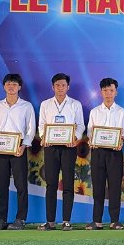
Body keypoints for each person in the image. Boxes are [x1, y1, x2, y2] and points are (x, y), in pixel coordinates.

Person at [37, 73, 85, 231]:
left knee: (68, 183)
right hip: (51, 147)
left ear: (68, 87)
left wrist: (75, 138)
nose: (60, 88)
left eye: (63, 85)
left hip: (69, 148)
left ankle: (66, 220)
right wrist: (44, 137)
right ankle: (50, 221)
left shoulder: (75, 104)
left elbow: (80, 126)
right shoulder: (45, 104)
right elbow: (42, 125)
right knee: (51, 183)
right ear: (53, 87)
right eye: (57, 85)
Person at [0, 73, 36, 230]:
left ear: (19, 87)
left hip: (18, 148)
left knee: (21, 185)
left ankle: (20, 219)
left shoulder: (26, 106)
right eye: (8, 84)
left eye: (14, 84)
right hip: (0, 147)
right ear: (4, 86)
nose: (11, 86)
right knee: (1, 185)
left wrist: (24, 145)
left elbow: (31, 128)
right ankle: (0, 219)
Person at [86, 78, 124, 230]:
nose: (108, 93)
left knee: (115, 186)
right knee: (97, 186)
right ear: (100, 92)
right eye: (105, 90)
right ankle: (96, 220)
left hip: (115, 153)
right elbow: (90, 132)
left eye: (111, 90)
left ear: (115, 92)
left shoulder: (122, 112)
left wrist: (121, 140)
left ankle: (115, 220)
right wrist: (91, 140)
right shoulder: (94, 112)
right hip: (97, 152)